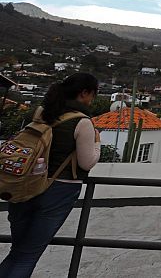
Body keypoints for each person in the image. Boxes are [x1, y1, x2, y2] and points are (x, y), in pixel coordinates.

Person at [0, 73, 101, 278]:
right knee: (27, 255)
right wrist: (98, 144)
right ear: (84, 93)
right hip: (58, 191)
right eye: (93, 95)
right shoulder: (82, 122)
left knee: (19, 251)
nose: (93, 100)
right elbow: (86, 162)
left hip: (24, 185)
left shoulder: (40, 112)